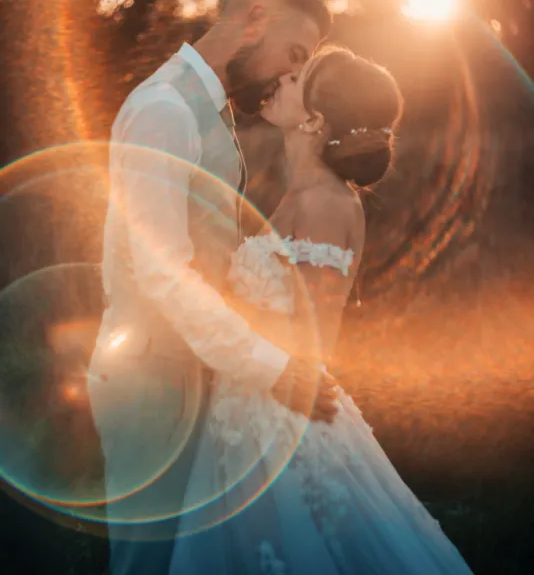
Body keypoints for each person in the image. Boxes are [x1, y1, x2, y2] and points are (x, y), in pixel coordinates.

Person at [168, 47, 474, 574]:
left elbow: (312, 338)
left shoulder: (327, 204)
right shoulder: (300, 194)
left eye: (297, 78)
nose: (282, 77)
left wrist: (218, 301)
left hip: (282, 417)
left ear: (314, 120)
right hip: (247, 403)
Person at [86, 0, 337, 575]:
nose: (292, 75)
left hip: (194, 373)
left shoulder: (208, 109)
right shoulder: (164, 110)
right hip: (151, 382)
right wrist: (270, 368)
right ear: (254, 19)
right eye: (294, 54)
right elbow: (163, 274)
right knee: (149, 563)